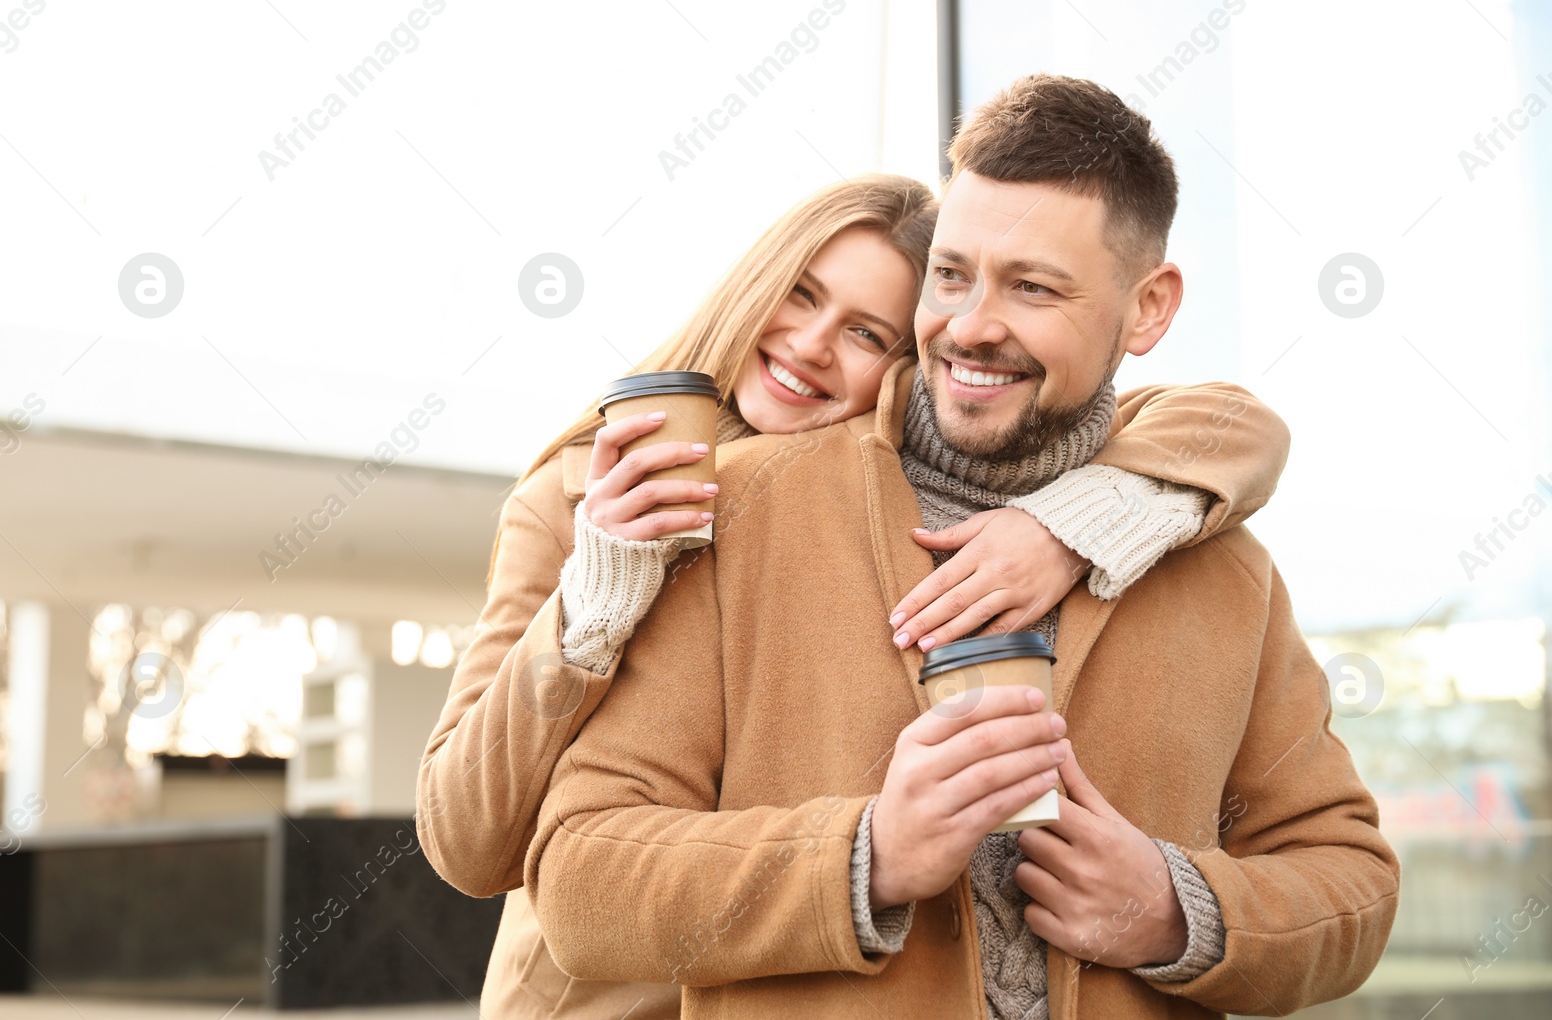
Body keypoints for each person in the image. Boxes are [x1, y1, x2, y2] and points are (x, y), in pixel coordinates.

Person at [521, 75, 1398, 1020]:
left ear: (1147, 309)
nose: (970, 325)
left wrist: (1178, 911)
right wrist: (865, 858)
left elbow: (1351, 880)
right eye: (950, 274)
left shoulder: (1229, 573)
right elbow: (581, 875)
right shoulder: (736, 512)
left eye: (1032, 286)